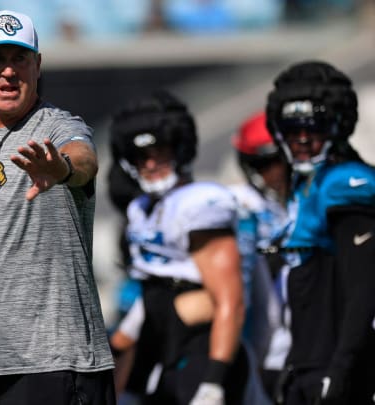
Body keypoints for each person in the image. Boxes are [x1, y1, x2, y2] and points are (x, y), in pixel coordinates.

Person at [0, 9, 115, 404]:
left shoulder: (58, 126)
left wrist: (61, 168)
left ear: (38, 65)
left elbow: (84, 160)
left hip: (57, 360)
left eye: (19, 59)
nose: (8, 72)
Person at [107, 90, 249, 404]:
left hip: (202, 348)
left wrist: (214, 380)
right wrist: (119, 344)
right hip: (161, 348)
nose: (151, 163)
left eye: (160, 151)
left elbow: (231, 298)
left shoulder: (200, 202)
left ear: (179, 149)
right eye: (141, 156)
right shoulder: (142, 209)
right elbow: (153, 291)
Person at [264, 60, 375, 404]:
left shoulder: (344, 183)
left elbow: (363, 291)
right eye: (292, 127)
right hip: (307, 365)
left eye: (315, 127)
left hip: (339, 369)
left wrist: (340, 370)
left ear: (339, 126)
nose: (302, 139)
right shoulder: (306, 185)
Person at [229, 111, 290, 402]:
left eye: (280, 161)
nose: (275, 171)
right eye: (264, 163)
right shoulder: (240, 203)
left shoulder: (300, 200)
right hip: (265, 344)